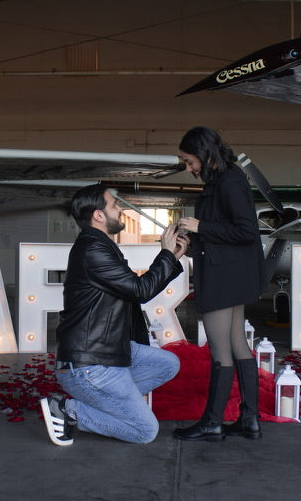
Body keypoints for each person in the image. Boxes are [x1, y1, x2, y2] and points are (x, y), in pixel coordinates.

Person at [40, 183, 189, 446]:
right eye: (114, 204)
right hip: (90, 365)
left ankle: (110, 402)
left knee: (168, 363)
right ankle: (67, 411)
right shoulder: (92, 249)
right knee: (145, 431)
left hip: (111, 351)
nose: (120, 209)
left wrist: (172, 258)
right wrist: (165, 253)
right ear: (98, 215)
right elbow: (140, 290)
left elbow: (134, 290)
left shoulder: (101, 245)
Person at [173, 126, 266, 442]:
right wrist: (196, 235)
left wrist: (201, 226)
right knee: (238, 344)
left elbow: (246, 232)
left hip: (224, 278)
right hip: (230, 274)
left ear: (203, 154)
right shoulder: (226, 179)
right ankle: (249, 420)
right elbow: (229, 230)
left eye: (189, 161)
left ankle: (212, 422)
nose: (189, 169)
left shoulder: (228, 181)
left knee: (220, 351)